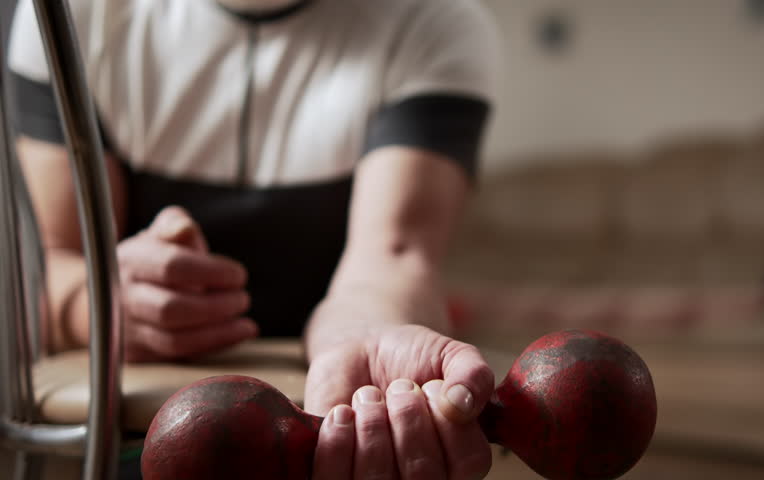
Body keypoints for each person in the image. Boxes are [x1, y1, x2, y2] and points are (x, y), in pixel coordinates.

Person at [8, 0, 500, 477]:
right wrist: (111, 305)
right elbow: (59, 265)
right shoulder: (72, 15)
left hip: (324, 419)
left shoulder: (433, 18)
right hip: (132, 441)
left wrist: (370, 339)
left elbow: (393, 255)